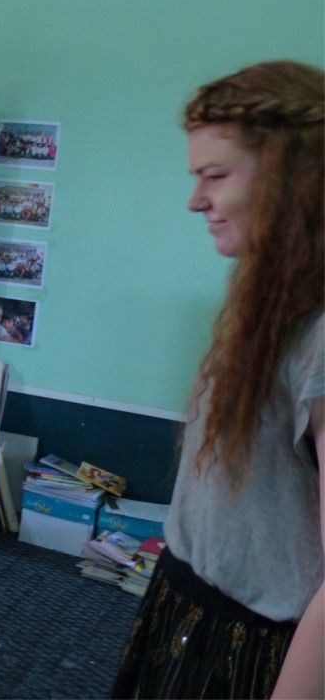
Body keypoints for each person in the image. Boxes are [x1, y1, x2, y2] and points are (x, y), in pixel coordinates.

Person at [113, 60, 324, 700]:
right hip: (188, 603)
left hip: (258, 646)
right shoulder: (268, 298)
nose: (194, 199)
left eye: (215, 176)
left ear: (294, 180)